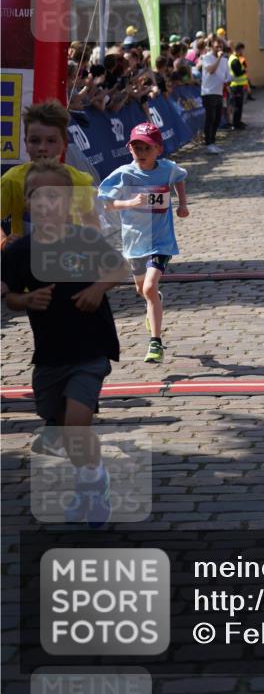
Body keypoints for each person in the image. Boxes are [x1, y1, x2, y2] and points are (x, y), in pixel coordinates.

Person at [3, 161, 126, 526]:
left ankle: (94, 484)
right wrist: (25, 301)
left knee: (76, 424)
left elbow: (117, 269)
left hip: (91, 347)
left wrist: (96, 289)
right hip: (49, 354)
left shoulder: (84, 239)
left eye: (55, 196)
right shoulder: (17, 251)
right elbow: (10, 297)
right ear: (27, 202)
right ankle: (87, 477)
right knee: (58, 422)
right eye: (38, 196)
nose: (46, 203)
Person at [98, 122, 189, 364]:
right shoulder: (123, 174)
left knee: (148, 288)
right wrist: (129, 204)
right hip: (134, 241)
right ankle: (154, 302)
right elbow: (106, 202)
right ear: (130, 149)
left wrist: (182, 204)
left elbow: (180, 178)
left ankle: (155, 343)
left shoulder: (168, 169)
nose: (141, 152)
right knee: (143, 291)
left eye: (146, 147)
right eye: (136, 147)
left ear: (158, 149)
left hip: (161, 240)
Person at [0, 100, 98, 249]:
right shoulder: (12, 179)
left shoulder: (79, 180)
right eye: (35, 141)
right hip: (25, 262)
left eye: (51, 141)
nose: (42, 148)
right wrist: (4, 241)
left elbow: (91, 220)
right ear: (26, 144)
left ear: (64, 143)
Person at [200, 38, 231, 154]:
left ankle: (213, 142)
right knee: (210, 118)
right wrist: (218, 58)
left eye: (221, 47)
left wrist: (228, 81)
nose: (219, 49)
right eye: (217, 46)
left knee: (217, 118)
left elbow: (227, 75)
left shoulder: (224, 60)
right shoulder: (206, 57)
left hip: (219, 92)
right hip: (208, 92)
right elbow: (211, 70)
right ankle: (208, 143)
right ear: (211, 46)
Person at [228, 42, 248, 129]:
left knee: (239, 105)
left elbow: (243, 66)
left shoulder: (237, 58)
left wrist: (242, 61)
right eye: (242, 50)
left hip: (239, 85)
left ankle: (238, 122)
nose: (243, 52)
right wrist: (244, 71)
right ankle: (236, 124)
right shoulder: (234, 60)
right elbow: (237, 73)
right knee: (237, 106)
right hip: (235, 86)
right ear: (239, 49)